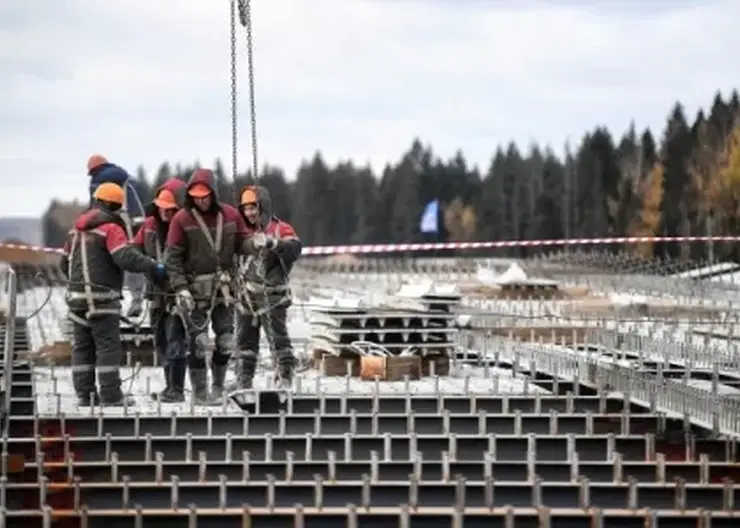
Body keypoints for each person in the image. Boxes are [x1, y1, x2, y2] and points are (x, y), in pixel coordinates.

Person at [60, 183, 167, 406]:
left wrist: (78, 285)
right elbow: (124, 258)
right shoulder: (110, 229)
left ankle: (85, 395)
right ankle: (111, 397)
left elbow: (64, 264)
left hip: (77, 300)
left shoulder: (75, 230)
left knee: (82, 348)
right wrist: (151, 265)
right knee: (107, 347)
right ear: (117, 206)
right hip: (103, 299)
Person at [164, 168, 254, 404]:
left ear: (213, 193)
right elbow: (172, 258)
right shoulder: (181, 219)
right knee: (199, 342)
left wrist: (255, 244)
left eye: (205, 195)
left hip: (224, 289)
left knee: (225, 340)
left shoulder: (232, 216)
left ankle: (217, 387)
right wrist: (180, 287)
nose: (201, 200)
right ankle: (200, 393)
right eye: (196, 196)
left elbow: (242, 243)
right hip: (193, 291)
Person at [235, 185, 302, 391]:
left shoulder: (280, 228)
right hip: (246, 296)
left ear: (263, 207)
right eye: (246, 209)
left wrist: (274, 244)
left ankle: (285, 377)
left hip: (273, 296)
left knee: (278, 338)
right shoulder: (242, 231)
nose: (250, 213)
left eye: (254, 208)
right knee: (245, 341)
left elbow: (295, 249)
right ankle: (243, 381)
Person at [130, 178, 188, 402]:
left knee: (175, 340)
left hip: (176, 294)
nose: (165, 212)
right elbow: (132, 250)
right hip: (155, 294)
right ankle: (169, 387)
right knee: (161, 341)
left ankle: (177, 389)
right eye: (162, 207)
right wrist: (149, 264)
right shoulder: (149, 227)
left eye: (170, 209)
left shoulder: (185, 228)